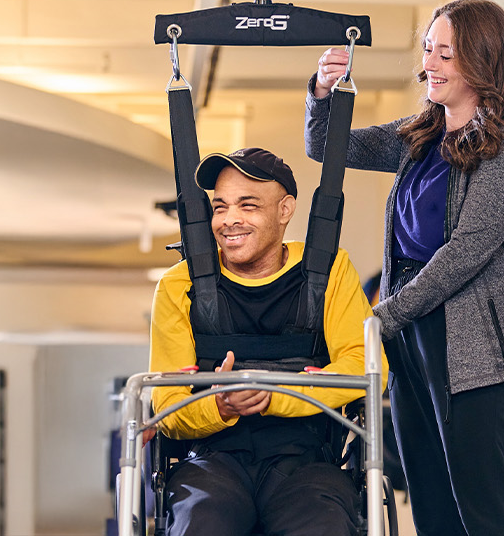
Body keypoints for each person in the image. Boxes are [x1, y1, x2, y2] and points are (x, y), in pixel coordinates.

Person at [306, 0, 504, 536]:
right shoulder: (420, 138)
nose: (428, 64)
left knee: (483, 511)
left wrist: (381, 314)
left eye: (445, 53)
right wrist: (324, 91)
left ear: (482, 61)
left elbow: (463, 255)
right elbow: (325, 145)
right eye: (428, 49)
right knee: (432, 506)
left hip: (473, 350)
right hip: (410, 336)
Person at [148, 147, 388, 536]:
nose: (229, 220)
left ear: (285, 210)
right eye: (220, 206)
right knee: (201, 522)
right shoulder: (179, 284)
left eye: (248, 205)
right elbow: (168, 408)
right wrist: (220, 405)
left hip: (307, 464)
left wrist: (276, 394)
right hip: (213, 463)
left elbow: (365, 364)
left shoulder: (329, 271)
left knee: (323, 527)